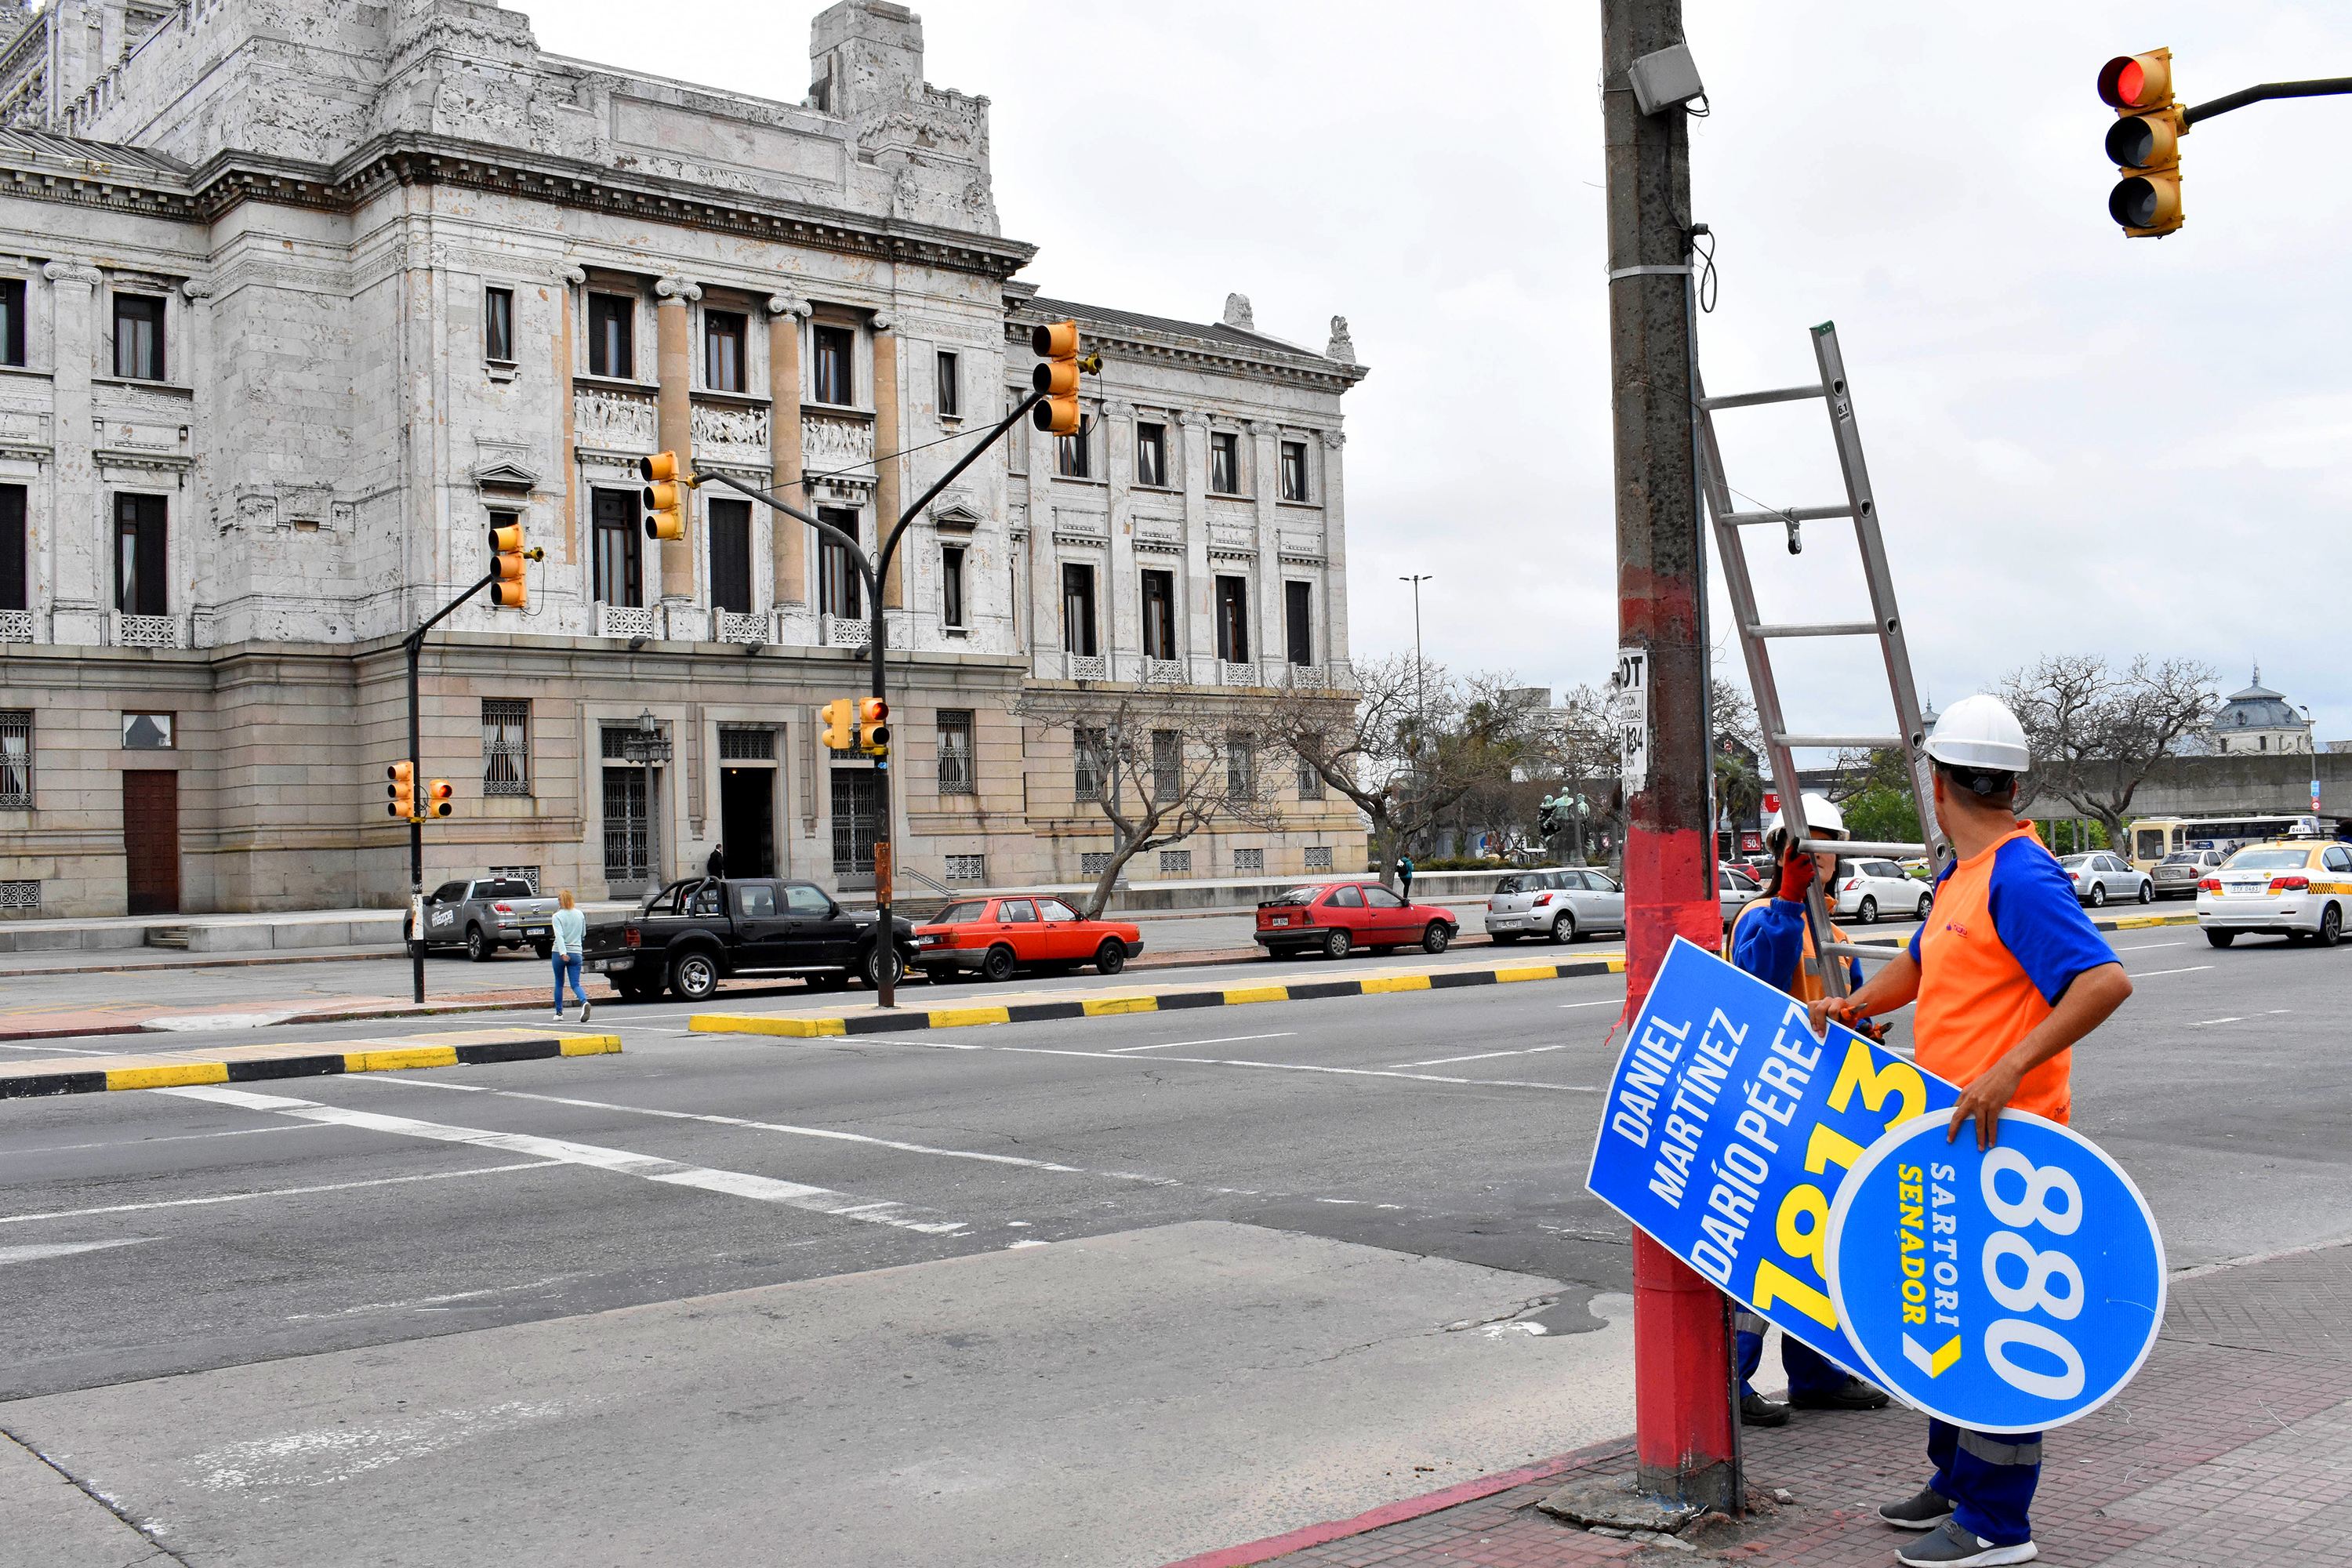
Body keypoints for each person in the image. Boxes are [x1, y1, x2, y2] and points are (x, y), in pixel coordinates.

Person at [1806, 695, 2132, 1568]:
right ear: (2011, 781)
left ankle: (1996, 1524)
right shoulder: (1963, 874)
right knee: (1945, 1308)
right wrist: (1856, 1003)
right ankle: (1952, 1480)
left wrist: (2007, 1067)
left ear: (1940, 783)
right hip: (1950, 1135)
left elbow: (2102, 982)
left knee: (1996, 1330)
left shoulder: (2021, 876)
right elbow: (1925, 963)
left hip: (2011, 1141)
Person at [1723, 793, 1893, 1428]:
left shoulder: (1840, 937)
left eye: (1827, 843)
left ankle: (1815, 1376)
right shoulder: (1759, 916)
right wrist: (1789, 900)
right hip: (1772, 1105)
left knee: (1819, 1245)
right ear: (1781, 851)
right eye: (1806, 843)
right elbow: (1759, 986)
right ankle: (1732, 1378)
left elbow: (1850, 1006)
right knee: (1763, 1242)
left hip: (1831, 1107)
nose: (1818, 854)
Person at [550, 889, 590, 1023]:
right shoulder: (580, 914)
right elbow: (583, 934)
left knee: (559, 983)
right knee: (575, 984)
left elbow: (559, 935)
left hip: (560, 953)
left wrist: (563, 953)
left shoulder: (557, 916)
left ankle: (559, 1012)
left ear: (560, 901)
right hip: (577, 952)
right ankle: (584, 1002)